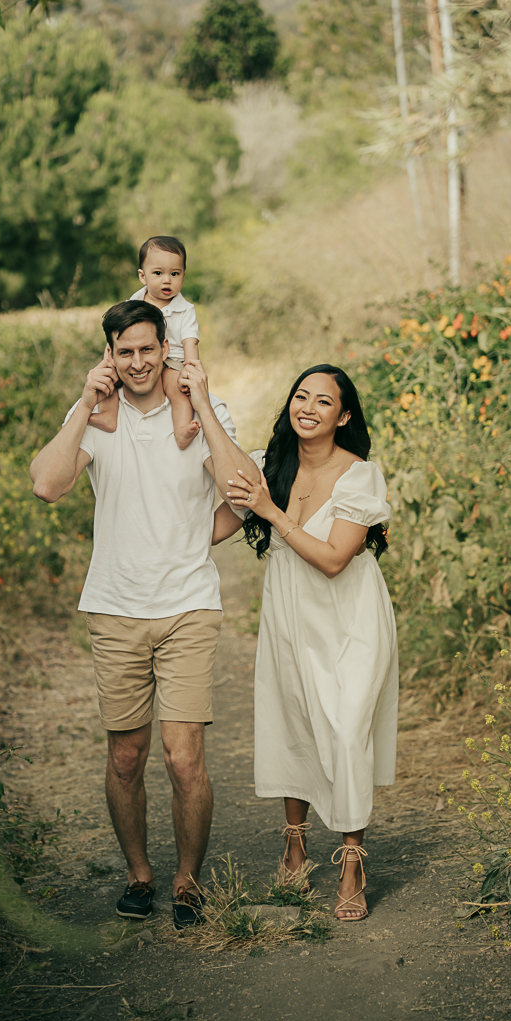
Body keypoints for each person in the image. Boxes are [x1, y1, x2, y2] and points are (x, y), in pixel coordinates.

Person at [29, 299, 259, 930]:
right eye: (123, 352)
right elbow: (48, 484)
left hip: (188, 606)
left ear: (166, 349)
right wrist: (83, 403)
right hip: (115, 607)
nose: (137, 362)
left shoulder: (201, 415)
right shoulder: (97, 420)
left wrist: (205, 405)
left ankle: (188, 882)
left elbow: (247, 491)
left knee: (183, 758)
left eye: (147, 350)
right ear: (110, 355)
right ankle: (139, 875)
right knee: (126, 757)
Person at [211, 364, 398, 921]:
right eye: (300, 396)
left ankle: (351, 861)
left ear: (343, 417)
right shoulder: (275, 466)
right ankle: (294, 842)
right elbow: (220, 514)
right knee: (293, 720)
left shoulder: (359, 474)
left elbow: (337, 560)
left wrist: (270, 510)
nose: (308, 407)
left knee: (345, 729)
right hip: (291, 607)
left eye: (323, 401)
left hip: (349, 615)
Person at [88, 235, 201, 450]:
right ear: (143, 276)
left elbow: (190, 342)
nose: (166, 280)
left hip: (173, 362)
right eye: (158, 273)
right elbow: (119, 334)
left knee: (177, 392)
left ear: (183, 276)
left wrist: (191, 369)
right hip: (140, 355)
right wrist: (109, 359)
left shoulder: (185, 310)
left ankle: (181, 431)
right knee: (110, 380)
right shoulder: (133, 303)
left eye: (174, 274)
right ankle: (108, 416)